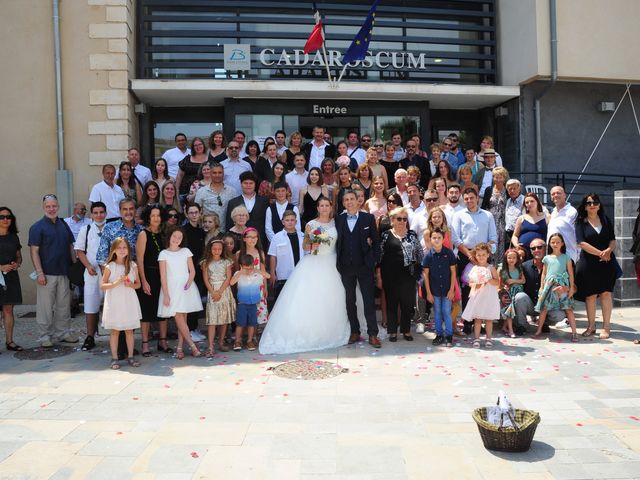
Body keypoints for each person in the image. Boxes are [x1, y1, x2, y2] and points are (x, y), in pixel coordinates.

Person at [259, 197, 350, 354]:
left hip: (333, 262)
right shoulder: (310, 225)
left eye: (327, 205)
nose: (324, 208)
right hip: (315, 262)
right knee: (313, 299)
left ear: (331, 207)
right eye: (321, 205)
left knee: (334, 297)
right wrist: (313, 244)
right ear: (317, 207)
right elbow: (306, 245)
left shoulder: (338, 222)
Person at [29, 194, 77, 348]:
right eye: (48, 206)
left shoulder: (63, 224)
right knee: (45, 307)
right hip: (46, 274)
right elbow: (34, 251)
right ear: (44, 208)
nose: (51, 209)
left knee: (63, 306)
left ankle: (63, 333)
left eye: (54, 206)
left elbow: (71, 245)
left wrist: (75, 266)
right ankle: (44, 336)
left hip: (64, 272)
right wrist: (39, 272)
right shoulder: (37, 227)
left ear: (58, 206)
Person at [335, 190, 381, 347]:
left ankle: (373, 334)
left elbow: (376, 241)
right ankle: (355, 331)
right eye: (346, 200)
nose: (349, 202)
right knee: (350, 301)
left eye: (352, 199)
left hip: (365, 267)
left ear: (358, 201)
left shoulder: (368, 218)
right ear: (343, 203)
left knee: (369, 301)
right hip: (346, 267)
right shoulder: (338, 219)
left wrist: (374, 261)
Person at [451, 187, 498, 334]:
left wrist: (482, 254)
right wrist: (470, 254)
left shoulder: (487, 215)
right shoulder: (459, 215)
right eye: (466, 199)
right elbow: (455, 238)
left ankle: (482, 320)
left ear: (477, 198)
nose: (469, 201)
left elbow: (493, 238)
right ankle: (467, 322)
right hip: (466, 256)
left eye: (472, 198)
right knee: (468, 290)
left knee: (484, 290)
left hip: (484, 257)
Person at [376, 206, 423, 342]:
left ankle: (406, 330)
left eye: (404, 219)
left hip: (408, 275)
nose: (402, 221)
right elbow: (379, 256)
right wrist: (378, 274)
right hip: (389, 275)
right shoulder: (385, 235)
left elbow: (419, 253)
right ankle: (392, 332)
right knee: (391, 303)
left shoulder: (412, 235)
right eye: (399, 219)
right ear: (392, 220)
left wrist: (417, 270)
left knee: (407, 303)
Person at [574, 193, 617, 339]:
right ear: (585, 206)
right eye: (589, 203)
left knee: (606, 293)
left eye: (595, 202)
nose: (592, 205)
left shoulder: (606, 220)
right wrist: (601, 253)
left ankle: (606, 327)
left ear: (599, 205)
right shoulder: (580, 222)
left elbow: (613, 240)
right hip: (589, 262)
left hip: (607, 263)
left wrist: (609, 251)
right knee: (590, 295)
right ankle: (591, 326)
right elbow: (582, 243)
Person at [158, 226, 204, 359]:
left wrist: (189, 282)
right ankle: (193, 346)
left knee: (182, 319)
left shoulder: (186, 251)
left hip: (185, 286)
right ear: (169, 236)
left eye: (180, 237)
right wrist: (166, 295)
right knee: (178, 317)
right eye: (174, 236)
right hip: (171, 287)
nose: (176, 239)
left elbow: (193, 270)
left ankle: (179, 346)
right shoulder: (164, 254)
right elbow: (163, 276)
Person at [135, 204, 172, 356]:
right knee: (147, 311)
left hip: (163, 276)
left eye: (158, 215)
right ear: (147, 218)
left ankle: (162, 342)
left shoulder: (165, 234)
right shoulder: (143, 234)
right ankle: (145, 345)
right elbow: (140, 259)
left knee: (163, 310)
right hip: (149, 275)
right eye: (152, 215)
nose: (156, 218)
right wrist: (143, 280)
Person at [100, 237, 142, 370]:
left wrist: (130, 284)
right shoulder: (110, 266)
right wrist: (115, 283)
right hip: (115, 302)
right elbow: (102, 285)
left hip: (128, 300)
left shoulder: (133, 265)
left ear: (129, 250)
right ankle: (114, 358)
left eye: (125, 248)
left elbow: (138, 285)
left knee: (129, 330)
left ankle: (130, 356)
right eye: (119, 248)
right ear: (113, 251)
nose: (122, 250)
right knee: (115, 330)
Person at [531, 233, 579, 342]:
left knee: (568, 309)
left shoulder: (566, 257)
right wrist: (542, 287)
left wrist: (571, 288)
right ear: (549, 244)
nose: (555, 244)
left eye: (558, 242)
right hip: (549, 287)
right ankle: (539, 330)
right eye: (553, 242)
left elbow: (571, 274)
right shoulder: (547, 258)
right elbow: (544, 273)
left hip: (562, 285)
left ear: (562, 243)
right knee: (544, 309)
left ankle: (574, 332)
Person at [75, 202, 108, 351]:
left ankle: (118, 336)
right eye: (96, 212)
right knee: (90, 304)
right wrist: (88, 266)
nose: (99, 215)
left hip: (109, 273)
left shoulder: (112, 228)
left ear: (106, 213)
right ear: (91, 214)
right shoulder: (86, 229)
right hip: (91, 272)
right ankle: (90, 337)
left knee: (112, 303)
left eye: (101, 212)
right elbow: (80, 251)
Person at [422, 228, 457, 347]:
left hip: (447, 289)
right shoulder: (428, 256)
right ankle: (439, 335)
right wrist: (428, 293)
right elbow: (425, 275)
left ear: (443, 239)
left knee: (446, 311)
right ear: (430, 239)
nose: (436, 240)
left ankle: (449, 336)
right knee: (437, 312)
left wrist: (452, 289)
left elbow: (453, 272)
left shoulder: (449, 253)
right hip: (435, 290)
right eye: (434, 238)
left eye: (439, 238)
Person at [461, 243, 500, 348]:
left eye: (483, 254)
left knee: (489, 319)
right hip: (478, 295)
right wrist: (475, 284)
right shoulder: (474, 268)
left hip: (489, 296)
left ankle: (488, 338)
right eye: (479, 255)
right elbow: (469, 282)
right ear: (475, 256)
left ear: (488, 255)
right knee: (477, 319)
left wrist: (489, 280)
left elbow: (497, 282)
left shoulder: (491, 268)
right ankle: (477, 338)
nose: (481, 257)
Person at [202, 239, 235, 355]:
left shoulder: (227, 262)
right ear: (210, 249)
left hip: (224, 290)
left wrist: (220, 292)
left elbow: (228, 277)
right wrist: (213, 292)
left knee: (224, 318)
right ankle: (210, 346)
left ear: (222, 250)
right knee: (212, 319)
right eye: (214, 249)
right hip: (212, 290)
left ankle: (221, 342)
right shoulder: (206, 262)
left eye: (219, 249)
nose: (216, 251)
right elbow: (206, 279)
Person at [231, 253, 270, 351]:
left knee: (252, 323)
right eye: (246, 268)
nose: (248, 271)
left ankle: (249, 340)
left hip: (253, 304)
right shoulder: (238, 274)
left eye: (250, 268)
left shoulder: (257, 274)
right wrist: (240, 272)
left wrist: (257, 270)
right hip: (242, 304)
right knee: (240, 323)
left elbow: (268, 276)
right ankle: (237, 341)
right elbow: (231, 282)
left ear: (253, 265)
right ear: (241, 266)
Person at [225, 171, 269, 247]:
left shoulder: (264, 201)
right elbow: (229, 224)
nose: (248, 185)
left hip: (260, 240)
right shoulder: (233, 202)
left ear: (255, 185)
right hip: (239, 241)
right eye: (245, 183)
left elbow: (267, 222)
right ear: (241, 184)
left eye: (251, 183)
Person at [0, 206, 23, 352]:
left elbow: (19, 256)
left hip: (11, 277)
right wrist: (0, 268)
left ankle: (10, 341)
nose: (5, 219)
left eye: (8, 217)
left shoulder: (14, 236)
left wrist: (17, 264)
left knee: (8, 309)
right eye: (2, 217)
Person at [268, 210, 304, 302]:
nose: (290, 222)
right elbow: (273, 256)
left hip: (300, 274)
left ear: (296, 221)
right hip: (283, 275)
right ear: (283, 221)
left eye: (292, 220)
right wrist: (272, 273)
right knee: (282, 301)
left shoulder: (303, 236)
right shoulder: (277, 237)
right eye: (287, 220)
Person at [183, 202, 206, 342]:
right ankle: (189, 330)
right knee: (190, 300)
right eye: (191, 212)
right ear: (186, 213)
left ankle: (194, 327)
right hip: (187, 270)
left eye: (196, 212)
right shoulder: (184, 230)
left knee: (196, 299)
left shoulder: (201, 231)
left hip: (198, 269)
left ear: (200, 213)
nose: (193, 215)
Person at [237, 227, 269, 326]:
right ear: (244, 239)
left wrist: (265, 288)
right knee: (246, 310)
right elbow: (237, 272)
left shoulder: (260, 253)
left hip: (258, 286)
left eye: (255, 237)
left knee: (258, 309)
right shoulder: (240, 253)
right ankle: (247, 333)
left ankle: (255, 333)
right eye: (250, 237)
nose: (253, 239)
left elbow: (263, 271)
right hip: (245, 287)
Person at [194, 162, 237, 232]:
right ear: (210, 174)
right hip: (207, 232)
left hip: (227, 232)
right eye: (214, 173)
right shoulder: (201, 192)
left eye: (220, 172)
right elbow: (197, 212)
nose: (217, 175)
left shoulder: (232, 191)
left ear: (223, 174)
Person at [481, 166, 509, 266]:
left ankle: (500, 268)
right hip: (491, 221)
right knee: (491, 245)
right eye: (495, 177)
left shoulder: (507, 190)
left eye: (500, 177)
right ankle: (490, 267)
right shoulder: (489, 190)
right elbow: (483, 206)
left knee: (502, 245)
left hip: (503, 222)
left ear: (504, 178)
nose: (498, 179)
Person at [547, 185, 579, 264]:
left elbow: (578, 235)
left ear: (565, 195)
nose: (555, 195)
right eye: (553, 194)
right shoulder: (553, 212)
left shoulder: (572, 212)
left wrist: (576, 256)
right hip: (552, 257)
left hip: (567, 256)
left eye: (558, 193)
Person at [511, 192, 550, 256]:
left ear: (537, 202)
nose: (529, 204)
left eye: (532, 201)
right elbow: (515, 235)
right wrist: (516, 245)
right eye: (527, 202)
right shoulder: (521, 218)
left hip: (540, 251)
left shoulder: (547, 217)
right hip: (524, 252)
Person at [498, 249, 525, 338]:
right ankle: (510, 330)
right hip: (507, 292)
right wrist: (503, 287)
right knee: (510, 306)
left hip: (517, 292)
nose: (511, 260)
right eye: (509, 258)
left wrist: (513, 280)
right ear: (506, 258)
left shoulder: (519, 269)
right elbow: (499, 284)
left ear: (517, 259)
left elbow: (523, 281)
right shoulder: (502, 269)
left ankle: (505, 327)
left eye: (514, 258)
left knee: (512, 306)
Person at [504, 179, 525, 252]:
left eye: (514, 188)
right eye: (510, 189)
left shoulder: (525, 200)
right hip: (508, 234)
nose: (512, 191)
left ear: (519, 189)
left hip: (519, 234)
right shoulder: (508, 201)